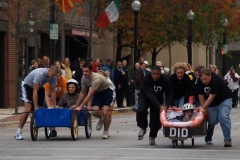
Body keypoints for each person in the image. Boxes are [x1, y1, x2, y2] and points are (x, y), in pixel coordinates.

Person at [14, 65, 58, 140]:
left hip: (40, 87)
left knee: (41, 109)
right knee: (28, 109)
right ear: (49, 71)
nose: (52, 77)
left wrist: (55, 105)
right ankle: (18, 132)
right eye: (52, 75)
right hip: (28, 86)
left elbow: (53, 91)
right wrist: (36, 107)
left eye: (54, 75)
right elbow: (35, 91)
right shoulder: (40, 74)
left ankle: (49, 127)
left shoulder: (53, 77)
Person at [72, 63, 114, 139]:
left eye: (86, 71)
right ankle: (102, 119)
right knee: (94, 111)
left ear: (91, 71)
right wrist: (77, 105)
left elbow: (89, 95)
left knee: (105, 112)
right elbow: (82, 92)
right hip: (98, 92)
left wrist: (81, 107)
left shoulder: (96, 79)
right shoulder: (83, 78)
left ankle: (105, 131)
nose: (84, 73)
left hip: (107, 92)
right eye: (83, 71)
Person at [137, 65, 174, 145]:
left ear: (160, 74)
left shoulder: (165, 80)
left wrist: (166, 105)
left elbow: (169, 93)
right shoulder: (146, 78)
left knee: (155, 119)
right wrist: (159, 106)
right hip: (145, 96)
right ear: (151, 73)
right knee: (141, 110)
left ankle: (152, 136)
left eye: (157, 74)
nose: (155, 76)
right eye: (153, 74)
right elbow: (149, 94)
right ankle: (143, 127)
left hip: (158, 98)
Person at [197, 68, 232, 147]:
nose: (204, 81)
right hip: (212, 103)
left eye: (206, 79)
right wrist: (203, 107)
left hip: (224, 99)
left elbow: (211, 97)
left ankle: (227, 139)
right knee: (211, 121)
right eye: (202, 79)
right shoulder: (199, 81)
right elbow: (201, 95)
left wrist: (204, 107)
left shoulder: (216, 80)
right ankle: (209, 137)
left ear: (210, 76)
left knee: (223, 116)